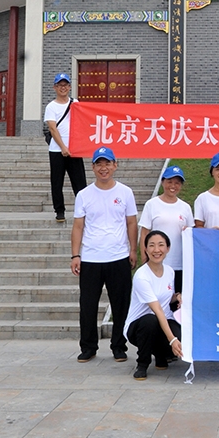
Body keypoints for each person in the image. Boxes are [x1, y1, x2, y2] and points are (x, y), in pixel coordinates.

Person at [70, 146, 138, 363]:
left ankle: (119, 346)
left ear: (115, 165)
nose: (103, 168)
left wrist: (133, 249)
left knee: (121, 305)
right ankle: (88, 346)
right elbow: (78, 226)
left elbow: (131, 223)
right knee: (87, 306)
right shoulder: (84, 194)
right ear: (93, 167)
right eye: (99, 164)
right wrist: (75, 255)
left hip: (118, 257)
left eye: (107, 163)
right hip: (91, 258)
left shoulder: (125, 192)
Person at [124, 229, 183, 381]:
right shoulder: (142, 276)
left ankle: (160, 354)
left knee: (180, 334)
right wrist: (172, 340)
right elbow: (157, 309)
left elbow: (166, 299)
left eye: (161, 245)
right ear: (145, 249)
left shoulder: (169, 271)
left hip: (162, 320)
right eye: (151, 245)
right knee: (151, 320)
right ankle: (142, 364)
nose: (156, 250)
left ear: (168, 249)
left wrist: (177, 297)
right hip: (140, 326)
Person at [138, 165, 192, 294]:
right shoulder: (152, 204)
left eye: (177, 183)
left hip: (179, 263)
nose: (173, 186)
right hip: (157, 261)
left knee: (177, 301)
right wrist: (144, 256)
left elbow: (191, 234)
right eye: (169, 182)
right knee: (157, 299)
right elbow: (145, 232)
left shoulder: (185, 207)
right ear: (162, 182)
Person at [44, 72, 86, 222]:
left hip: (74, 149)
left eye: (65, 85)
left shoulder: (76, 103)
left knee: (80, 182)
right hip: (57, 150)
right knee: (57, 182)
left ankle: (83, 210)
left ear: (69, 87)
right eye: (59, 85)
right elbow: (53, 129)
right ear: (55, 87)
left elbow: (82, 122)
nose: (63, 88)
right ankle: (59, 211)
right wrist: (63, 147)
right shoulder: (51, 106)